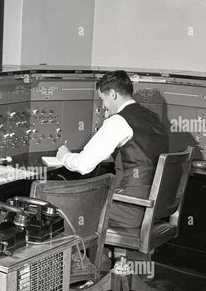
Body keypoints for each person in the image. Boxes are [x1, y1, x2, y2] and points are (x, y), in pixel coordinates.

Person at [56, 70, 169, 229]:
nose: (103, 106)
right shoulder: (153, 117)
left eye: (103, 99)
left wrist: (65, 156)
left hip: (131, 207)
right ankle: (96, 254)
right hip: (155, 207)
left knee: (71, 210)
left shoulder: (118, 121)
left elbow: (83, 165)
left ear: (113, 95)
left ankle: (81, 255)